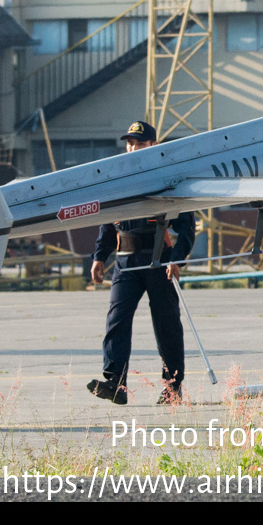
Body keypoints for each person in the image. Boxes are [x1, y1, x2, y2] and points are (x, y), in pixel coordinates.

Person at [87, 121, 195, 405]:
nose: (133, 148)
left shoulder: (167, 177)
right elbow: (108, 222)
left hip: (159, 261)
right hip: (125, 263)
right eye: (130, 143)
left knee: (166, 323)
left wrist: (176, 260)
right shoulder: (117, 178)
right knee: (117, 320)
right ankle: (115, 384)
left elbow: (186, 227)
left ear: (153, 146)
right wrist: (99, 257)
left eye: (140, 143)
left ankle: (173, 386)